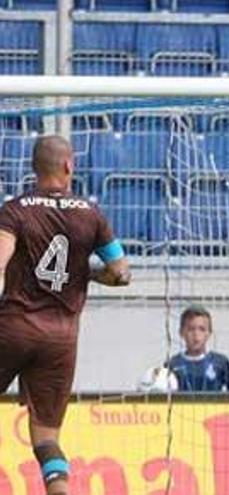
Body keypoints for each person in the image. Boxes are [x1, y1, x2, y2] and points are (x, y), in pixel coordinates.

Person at [0, 136, 131, 495]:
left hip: (13, 328)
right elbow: (121, 273)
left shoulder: (15, 209)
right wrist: (88, 273)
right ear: (70, 166)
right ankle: (59, 489)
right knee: (46, 438)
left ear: (33, 167)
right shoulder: (91, 214)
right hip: (61, 338)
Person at [167, 305, 229, 392]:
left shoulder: (220, 362)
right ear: (182, 332)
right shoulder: (173, 364)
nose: (196, 335)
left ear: (209, 333)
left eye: (202, 329)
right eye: (191, 329)